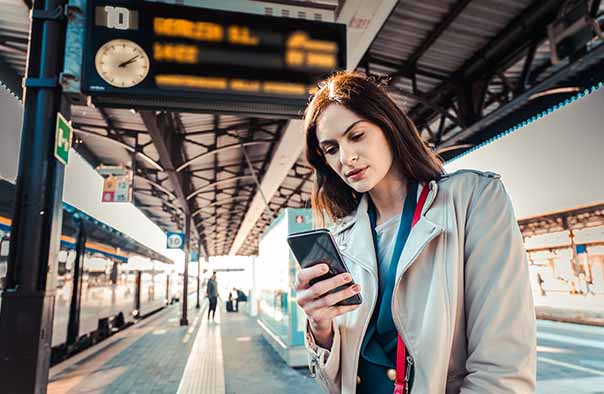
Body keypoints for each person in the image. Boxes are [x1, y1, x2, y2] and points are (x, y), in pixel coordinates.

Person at [294, 72, 536, 394]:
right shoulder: (342, 238)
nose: (346, 158)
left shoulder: (473, 200)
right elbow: (335, 383)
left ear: (388, 126)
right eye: (331, 149)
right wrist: (320, 327)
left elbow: (504, 366)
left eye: (357, 136)